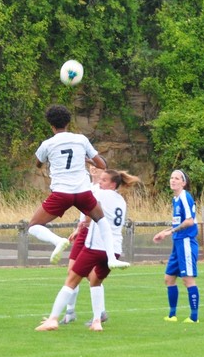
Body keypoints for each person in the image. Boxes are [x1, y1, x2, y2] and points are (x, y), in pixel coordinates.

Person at [36, 169, 140, 332]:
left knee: (71, 280)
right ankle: (97, 321)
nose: (100, 182)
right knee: (95, 281)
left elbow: (89, 214)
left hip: (95, 247)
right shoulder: (121, 200)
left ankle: (53, 319)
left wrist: (80, 222)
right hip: (114, 249)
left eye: (104, 180)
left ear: (113, 184)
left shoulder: (100, 194)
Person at [27, 104, 129, 269]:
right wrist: (86, 158)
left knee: (33, 226)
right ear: (68, 123)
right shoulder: (81, 140)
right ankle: (111, 258)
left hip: (61, 194)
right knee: (102, 221)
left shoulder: (47, 144)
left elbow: (38, 164)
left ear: (51, 125)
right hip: (83, 192)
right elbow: (102, 164)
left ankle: (58, 241)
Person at [152, 169, 200, 323]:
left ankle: (194, 317)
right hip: (178, 243)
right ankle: (172, 315)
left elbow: (189, 221)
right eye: (171, 177)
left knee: (188, 280)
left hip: (186, 242)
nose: (173, 180)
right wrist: (164, 232)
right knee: (169, 279)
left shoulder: (185, 196)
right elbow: (178, 222)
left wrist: (170, 232)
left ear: (183, 182)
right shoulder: (176, 199)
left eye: (177, 178)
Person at [61, 164, 104, 325]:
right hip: (83, 231)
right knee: (73, 271)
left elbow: (92, 211)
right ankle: (71, 312)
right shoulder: (87, 186)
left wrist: (82, 226)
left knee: (88, 275)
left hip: (91, 232)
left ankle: (98, 313)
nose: (93, 169)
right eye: (91, 166)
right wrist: (77, 228)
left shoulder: (100, 189)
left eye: (97, 167)